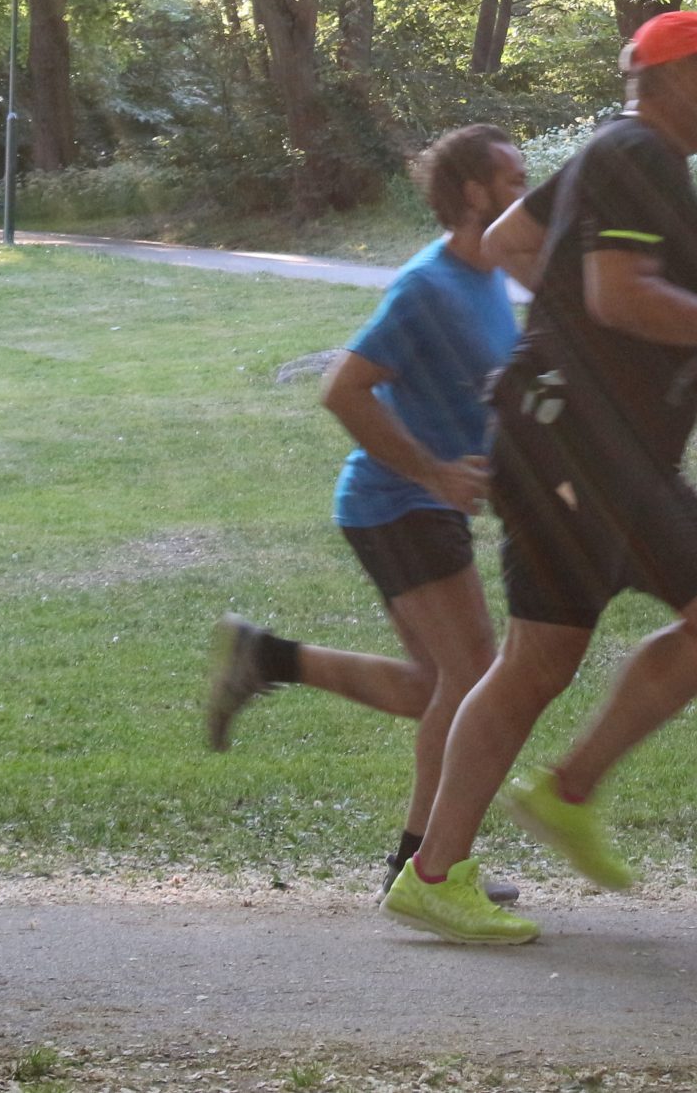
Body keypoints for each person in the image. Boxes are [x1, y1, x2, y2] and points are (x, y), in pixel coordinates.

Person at [383, 11, 697, 944]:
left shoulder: (616, 154)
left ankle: (524, 817)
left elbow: (509, 239)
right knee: (648, 633)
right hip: (577, 448)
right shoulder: (637, 153)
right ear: (675, 76)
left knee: (598, 645)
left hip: (597, 448)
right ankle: (462, 854)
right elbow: (617, 294)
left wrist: (571, 328)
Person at [205, 124, 528, 903]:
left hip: (420, 503)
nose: (529, 191)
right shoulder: (427, 286)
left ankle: (268, 657)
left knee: (434, 688)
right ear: (475, 193)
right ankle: (420, 868)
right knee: (471, 679)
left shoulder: (489, 275)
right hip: (394, 502)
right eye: (515, 179)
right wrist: (433, 472)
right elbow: (341, 388)